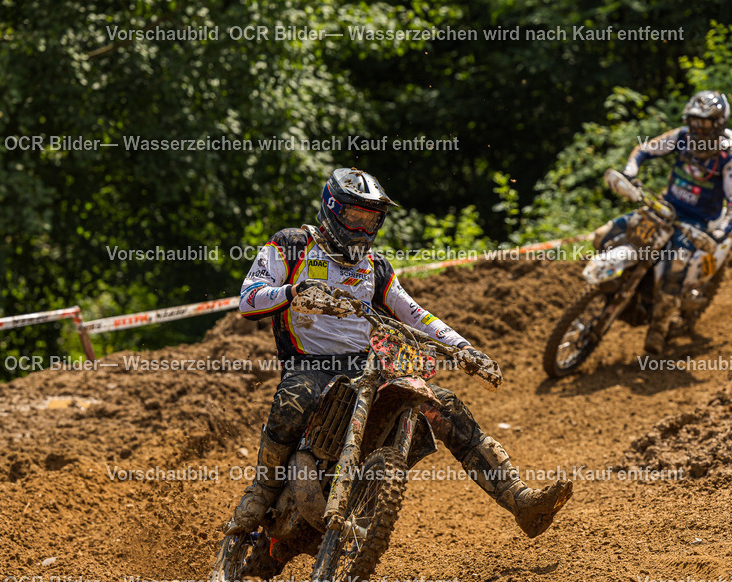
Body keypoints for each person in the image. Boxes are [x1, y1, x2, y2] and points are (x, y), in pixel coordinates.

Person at [225, 167, 572, 539]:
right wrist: (292, 293)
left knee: (446, 407)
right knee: (294, 401)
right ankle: (261, 490)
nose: (361, 228)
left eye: (370, 219)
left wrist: (465, 349)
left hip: (368, 364)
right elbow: (248, 299)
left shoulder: (375, 266)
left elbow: (414, 313)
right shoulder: (291, 244)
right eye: (354, 216)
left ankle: (520, 499)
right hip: (311, 362)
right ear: (331, 209)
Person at [592, 90, 732, 354]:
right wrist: (630, 171)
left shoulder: (728, 158)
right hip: (666, 208)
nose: (698, 128)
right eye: (694, 121)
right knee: (602, 235)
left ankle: (658, 329)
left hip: (696, 222)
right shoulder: (682, 137)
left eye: (705, 123)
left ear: (719, 124)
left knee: (674, 269)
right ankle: (616, 285)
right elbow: (645, 149)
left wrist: (723, 229)